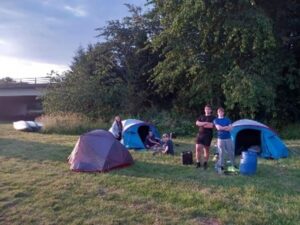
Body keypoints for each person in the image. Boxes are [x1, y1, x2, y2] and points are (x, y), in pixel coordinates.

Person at [213, 107, 236, 174]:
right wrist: (226, 127)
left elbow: (230, 128)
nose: (220, 113)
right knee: (221, 152)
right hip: (220, 138)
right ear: (217, 113)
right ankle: (221, 165)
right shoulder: (216, 120)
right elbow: (218, 128)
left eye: (222, 112)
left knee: (231, 152)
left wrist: (223, 128)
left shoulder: (227, 119)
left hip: (228, 138)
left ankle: (233, 164)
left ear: (223, 113)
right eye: (219, 112)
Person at [195, 105, 215, 169]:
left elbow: (211, 126)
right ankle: (198, 162)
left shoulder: (213, 117)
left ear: (210, 110)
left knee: (206, 150)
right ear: (204, 110)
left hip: (208, 135)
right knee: (197, 148)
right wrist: (205, 123)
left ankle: (205, 162)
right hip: (200, 135)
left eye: (209, 109)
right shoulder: (201, 116)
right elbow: (197, 123)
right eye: (206, 109)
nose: (207, 110)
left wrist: (202, 124)